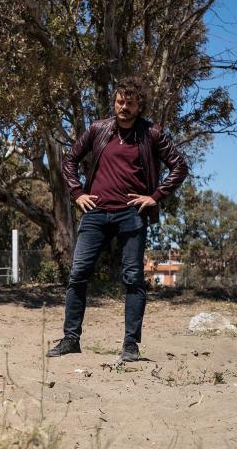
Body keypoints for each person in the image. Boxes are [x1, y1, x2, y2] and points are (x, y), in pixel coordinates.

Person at [47, 77, 188, 361]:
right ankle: (71, 339)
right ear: (114, 103)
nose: (124, 107)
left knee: (133, 277)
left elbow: (179, 166)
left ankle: (130, 345)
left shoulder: (152, 134)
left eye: (130, 103)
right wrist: (77, 192)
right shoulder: (98, 129)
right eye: (120, 102)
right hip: (96, 212)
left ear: (139, 106)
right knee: (78, 273)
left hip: (131, 214)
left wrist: (155, 196)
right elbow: (70, 159)